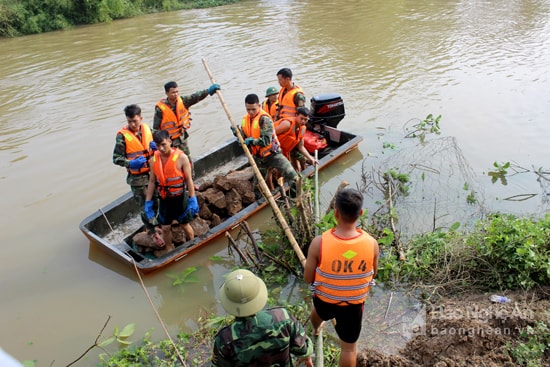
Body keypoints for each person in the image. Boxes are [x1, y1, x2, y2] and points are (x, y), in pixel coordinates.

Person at [303, 188, 380, 367]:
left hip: (324, 300)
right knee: (349, 349)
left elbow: (308, 279)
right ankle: (319, 327)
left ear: (335, 212)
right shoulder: (372, 244)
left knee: (318, 312)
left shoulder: (319, 243)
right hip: (353, 306)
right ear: (360, 213)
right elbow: (373, 274)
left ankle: (315, 329)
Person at [212, 269, 314, 367]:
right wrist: (307, 357)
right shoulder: (283, 318)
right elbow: (303, 349)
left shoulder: (224, 339)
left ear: (228, 303)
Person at [144, 130, 199, 250]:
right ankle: (169, 249)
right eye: (158, 146)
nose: (161, 148)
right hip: (164, 199)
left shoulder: (182, 158)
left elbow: (189, 180)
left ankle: (193, 244)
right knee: (165, 227)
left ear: (170, 141)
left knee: (184, 224)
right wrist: (148, 202)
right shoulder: (153, 160)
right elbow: (152, 181)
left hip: (179, 197)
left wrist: (192, 198)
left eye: (164, 144)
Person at [238, 93, 299, 192]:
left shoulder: (264, 119)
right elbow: (244, 137)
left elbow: (266, 141)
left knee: (291, 175)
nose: (251, 112)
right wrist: (238, 135)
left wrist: (252, 141)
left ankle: (298, 194)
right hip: (258, 157)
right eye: (248, 109)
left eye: (253, 109)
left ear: (259, 106)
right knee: (258, 186)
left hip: (272, 154)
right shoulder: (245, 119)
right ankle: (260, 201)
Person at [153, 81, 221, 159]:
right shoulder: (160, 109)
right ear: (167, 93)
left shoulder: (183, 101)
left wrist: (208, 91)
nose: (176, 94)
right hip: (169, 142)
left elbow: (195, 97)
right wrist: (157, 143)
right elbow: (156, 128)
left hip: (182, 139)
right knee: (173, 161)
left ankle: (191, 171)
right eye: (173, 92)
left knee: (187, 159)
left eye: (177, 92)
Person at [113, 104, 155, 227]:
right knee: (144, 206)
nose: (132, 124)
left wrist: (158, 145)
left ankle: (160, 225)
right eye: (129, 121)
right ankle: (152, 231)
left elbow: (162, 139)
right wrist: (130, 163)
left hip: (153, 174)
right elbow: (116, 158)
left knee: (157, 201)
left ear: (141, 118)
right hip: (138, 180)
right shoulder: (122, 136)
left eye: (135, 121)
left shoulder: (147, 129)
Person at [275, 106, 318, 171]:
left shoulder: (303, 128)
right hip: (274, 150)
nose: (303, 121)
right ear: (296, 115)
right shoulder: (287, 124)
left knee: (301, 159)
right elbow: (270, 134)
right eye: (301, 118)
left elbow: (301, 147)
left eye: (305, 119)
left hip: (286, 151)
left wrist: (311, 158)